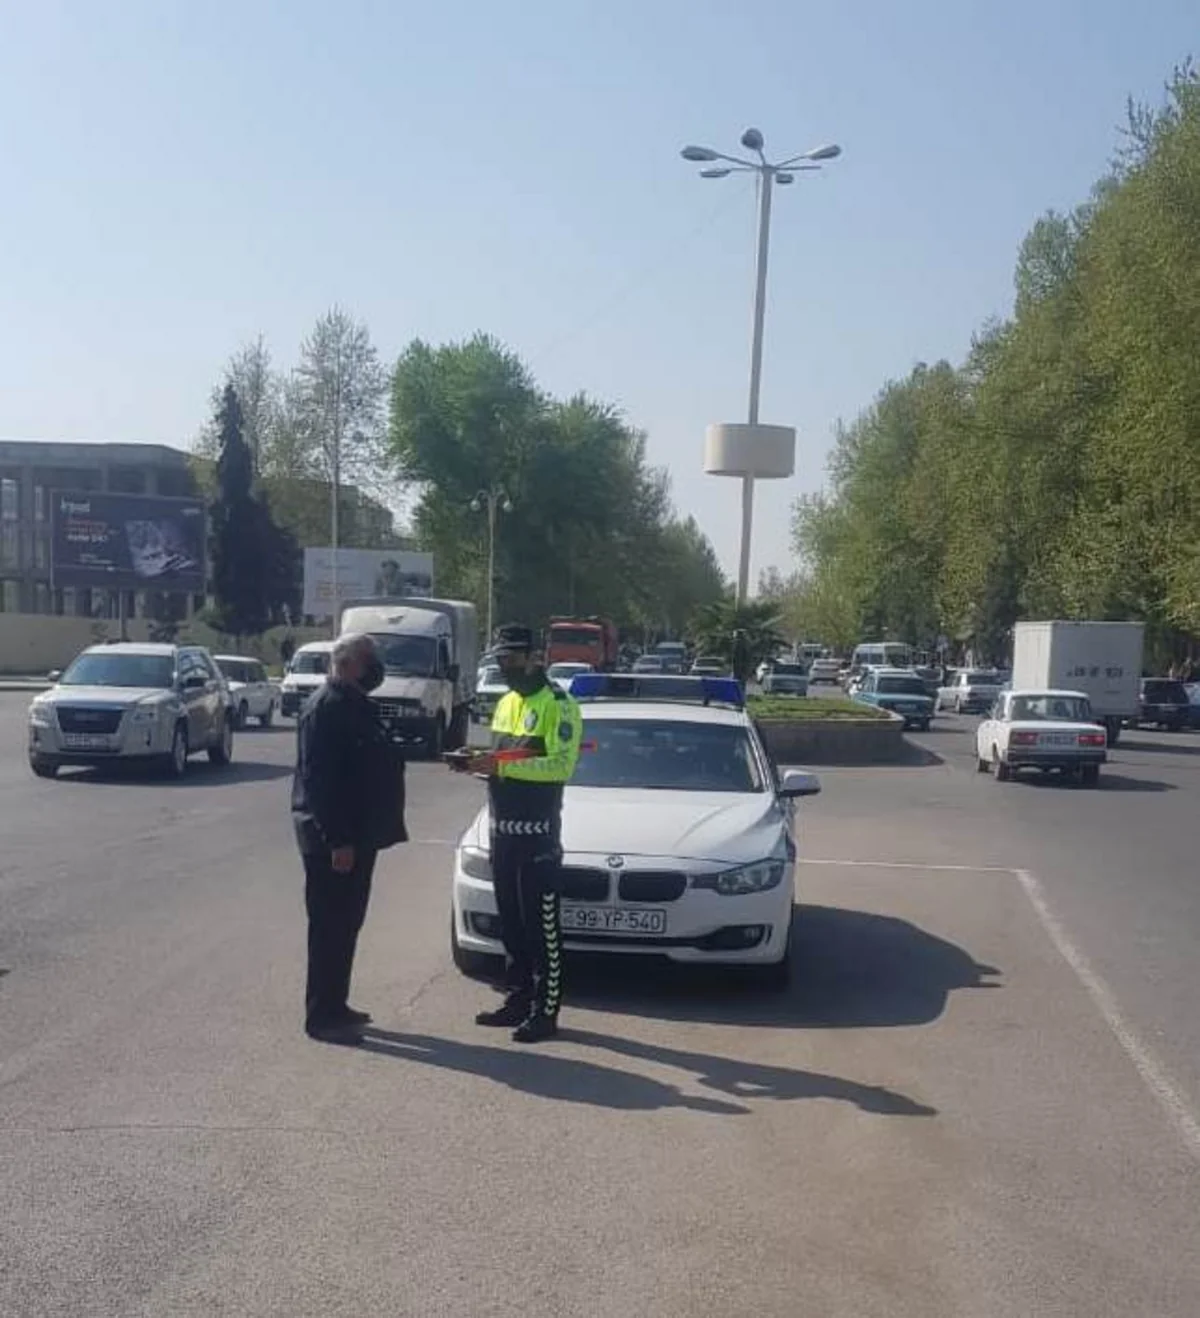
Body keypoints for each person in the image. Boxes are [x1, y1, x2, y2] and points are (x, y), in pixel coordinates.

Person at [451, 624, 582, 1043]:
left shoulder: (558, 705)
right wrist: (475, 761)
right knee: (511, 924)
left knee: (541, 928)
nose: (505, 667)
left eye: (512, 660)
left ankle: (546, 1011)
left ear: (534, 657)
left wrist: (501, 767)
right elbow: (503, 755)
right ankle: (518, 998)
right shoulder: (506, 702)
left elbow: (560, 765)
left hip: (538, 836)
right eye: (500, 661)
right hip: (501, 832)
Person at [291, 632, 407, 1044]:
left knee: (347, 924)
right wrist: (338, 840)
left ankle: (337, 1004)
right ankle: (321, 1016)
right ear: (348, 664)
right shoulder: (325, 709)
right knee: (329, 926)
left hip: (359, 838)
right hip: (333, 843)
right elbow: (319, 783)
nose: (377, 666)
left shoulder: (356, 705)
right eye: (370, 659)